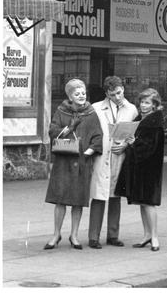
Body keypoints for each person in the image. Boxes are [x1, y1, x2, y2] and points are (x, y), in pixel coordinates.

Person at [44, 78, 103, 250]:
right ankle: (56, 234)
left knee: (78, 201)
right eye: (77, 94)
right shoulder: (61, 111)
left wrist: (88, 152)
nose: (81, 96)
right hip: (63, 161)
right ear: (70, 96)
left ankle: (74, 235)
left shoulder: (91, 113)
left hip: (82, 162)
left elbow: (98, 137)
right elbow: (52, 131)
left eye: (83, 93)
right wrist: (69, 128)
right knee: (60, 200)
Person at [88, 76, 138, 249]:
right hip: (102, 156)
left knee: (115, 195)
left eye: (119, 93)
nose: (117, 97)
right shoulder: (96, 108)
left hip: (119, 155)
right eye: (113, 94)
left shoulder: (131, 109)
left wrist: (125, 144)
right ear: (106, 94)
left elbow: (134, 133)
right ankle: (93, 237)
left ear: (123, 88)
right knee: (99, 195)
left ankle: (113, 235)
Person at [115, 88, 165, 251]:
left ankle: (155, 237)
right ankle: (146, 235)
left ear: (154, 105)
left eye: (147, 103)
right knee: (142, 203)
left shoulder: (155, 123)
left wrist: (133, 142)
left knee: (149, 203)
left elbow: (150, 147)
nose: (143, 106)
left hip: (149, 168)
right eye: (142, 102)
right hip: (139, 166)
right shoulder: (140, 119)